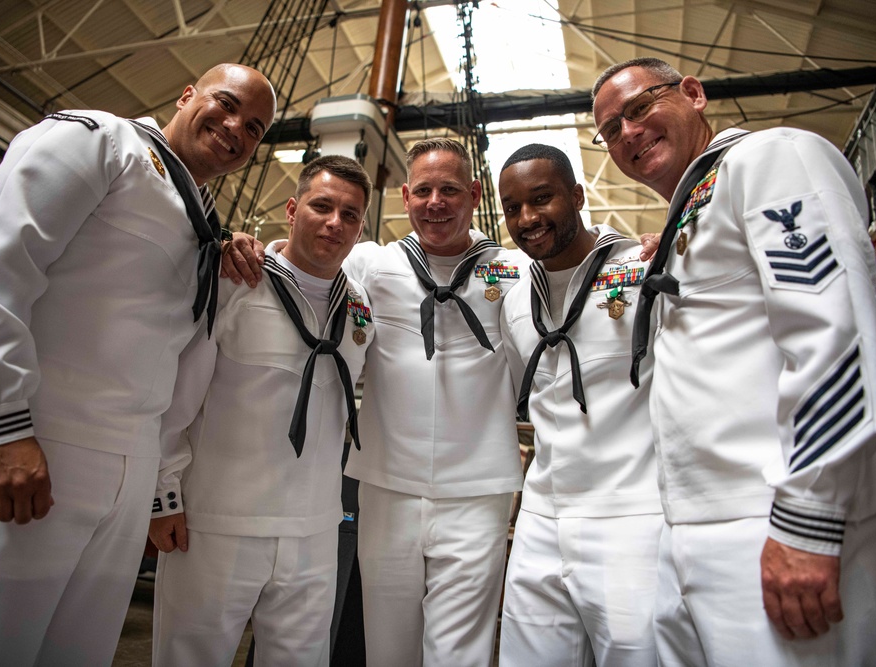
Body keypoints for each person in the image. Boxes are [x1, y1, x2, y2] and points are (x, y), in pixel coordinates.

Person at [0, 63, 276, 666]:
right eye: (226, 104)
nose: (236, 128)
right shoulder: (99, 142)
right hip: (36, 443)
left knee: (74, 654)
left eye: (256, 128)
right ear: (187, 94)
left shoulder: (200, 226)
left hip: (125, 470)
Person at [591, 57, 876, 665]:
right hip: (692, 525)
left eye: (639, 109)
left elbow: (831, 330)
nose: (628, 133)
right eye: (611, 129)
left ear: (693, 93)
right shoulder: (690, 212)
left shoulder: (772, 157)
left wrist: (808, 518)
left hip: (772, 518)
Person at [223, 137, 529, 666]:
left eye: (451, 190)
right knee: (386, 646)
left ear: (475, 194)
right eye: (425, 190)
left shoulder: (513, 270)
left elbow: (579, 270)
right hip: (387, 485)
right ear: (406, 195)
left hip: (478, 492)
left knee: (461, 652)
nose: (437, 202)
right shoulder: (371, 263)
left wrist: (635, 243)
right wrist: (255, 249)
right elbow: (306, 271)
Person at [147, 155, 373, 666]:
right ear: (292, 209)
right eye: (322, 206)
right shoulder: (235, 281)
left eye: (351, 215)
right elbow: (174, 397)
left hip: (315, 529)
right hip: (216, 523)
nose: (335, 223)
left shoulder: (359, 306)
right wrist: (162, 496)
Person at [497, 143, 662, 666]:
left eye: (542, 198)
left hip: (632, 515)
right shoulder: (512, 293)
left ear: (577, 194)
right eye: (512, 207)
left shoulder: (644, 268)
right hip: (542, 519)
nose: (527, 218)